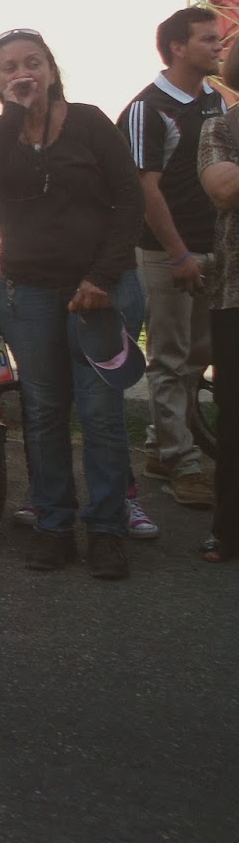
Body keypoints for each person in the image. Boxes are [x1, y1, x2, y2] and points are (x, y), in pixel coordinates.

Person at [0, 29, 145, 579]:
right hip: (28, 292)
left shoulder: (89, 122)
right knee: (42, 412)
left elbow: (129, 200)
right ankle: (54, 525)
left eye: (33, 63)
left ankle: (108, 530)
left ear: (51, 69)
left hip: (100, 292)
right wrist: (17, 119)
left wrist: (103, 277)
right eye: (10, 67)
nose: (23, 73)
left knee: (100, 413)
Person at [117, 6, 223, 509]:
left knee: (197, 354)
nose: (218, 46)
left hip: (214, 248)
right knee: (169, 356)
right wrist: (178, 253)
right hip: (166, 253)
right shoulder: (148, 108)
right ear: (178, 47)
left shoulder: (216, 102)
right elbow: (145, 191)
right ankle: (184, 463)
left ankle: (162, 446)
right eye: (208, 38)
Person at [196, 102, 239, 563]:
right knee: (236, 422)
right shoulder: (223, 127)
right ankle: (230, 531)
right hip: (235, 297)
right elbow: (225, 189)